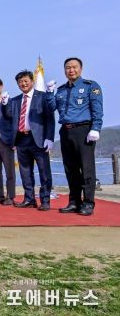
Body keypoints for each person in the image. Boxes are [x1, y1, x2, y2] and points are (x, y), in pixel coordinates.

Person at [46, 57, 103, 216]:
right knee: (70, 169)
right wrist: (50, 93)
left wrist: (96, 128)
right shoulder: (61, 90)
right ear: (64, 70)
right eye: (68, 68)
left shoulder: (90, 86)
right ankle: (74, 201)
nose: (71, 70)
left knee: (86, 168)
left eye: (74, 67)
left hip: (84, 130)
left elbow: (97, 109)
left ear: (80, 69)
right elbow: (51, 107)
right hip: (66, 131)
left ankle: (88, 203)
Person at [2, 70, 55, 211]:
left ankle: (45, 200)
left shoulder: (42, 97)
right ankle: (29, 199)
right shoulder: (15, 100)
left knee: (44, 171)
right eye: (20, 82)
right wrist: (5, 103)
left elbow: (50, 119)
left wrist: (49, 138)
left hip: (39, 139)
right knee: (25, 172)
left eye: (26, 81)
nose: (23, 84)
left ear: (32, 81)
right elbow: (8, 116)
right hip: (21, 139)